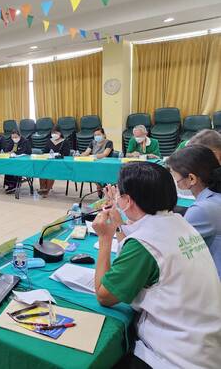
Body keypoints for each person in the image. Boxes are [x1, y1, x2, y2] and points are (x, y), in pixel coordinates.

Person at [93, 162, 220, 369]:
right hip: (205, 345)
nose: (117, 199)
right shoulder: (178, 222)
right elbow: (140, 246)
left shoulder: (145, 244)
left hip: (175, 357)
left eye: (119, 195)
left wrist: (105, 239)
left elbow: (104, 295)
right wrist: (118, 226)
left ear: (128, 201)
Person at [167, 145, 221, 277]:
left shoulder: (201, 209)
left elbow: (172, 252)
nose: (174, 181)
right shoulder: (214, 198)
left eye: (174, 176)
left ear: (191, 178)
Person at [38, 125, 70, 197]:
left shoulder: (64, 141)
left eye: (56, 132)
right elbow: (44, 151)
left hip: (60, 163)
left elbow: (67, 154)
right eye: (53, 133)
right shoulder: (49, 141)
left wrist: (59, 155)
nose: (54, 134)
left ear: (60, 133)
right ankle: (42, 188)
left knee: (50, 170)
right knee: (42, 169)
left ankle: (46, 191)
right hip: (49, 161)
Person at [81, 127, 114, 197]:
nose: (96, 136)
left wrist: (93, 156)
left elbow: (105, 154)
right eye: (95, 135)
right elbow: (87, 152)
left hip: (105, 164)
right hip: (94, 164)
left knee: (95, 171)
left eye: (98, 134)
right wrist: (80, 155)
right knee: (86, 170)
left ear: (104, 135)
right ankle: (99, 186)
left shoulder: (109, 142)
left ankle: (101, 187)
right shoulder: (92, 142)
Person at [3, 130, 32, 194]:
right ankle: (10, 185)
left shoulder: (25, 141)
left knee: (14, 167)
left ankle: (14, 185)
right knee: (8, 166)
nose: (14, 139)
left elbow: (22, 151)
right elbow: (6, 149)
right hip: (13, 160)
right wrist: (8, 152)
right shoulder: (12, 141)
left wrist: (13, 153)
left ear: (19, 136)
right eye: (13, 137)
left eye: (15, 137)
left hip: (24, 162)